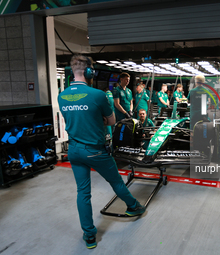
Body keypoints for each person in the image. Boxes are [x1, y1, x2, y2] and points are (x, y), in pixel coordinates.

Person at [58, 55, 145, 249]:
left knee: (83, 192)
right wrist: (98, 119)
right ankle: (134, 206)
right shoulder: (98, 95)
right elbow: (112, 121)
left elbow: (71, 120)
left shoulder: (62, 96)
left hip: (74, 150)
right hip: (95, 151)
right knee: (115, 181)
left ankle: (89, 235)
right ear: (90, 72)